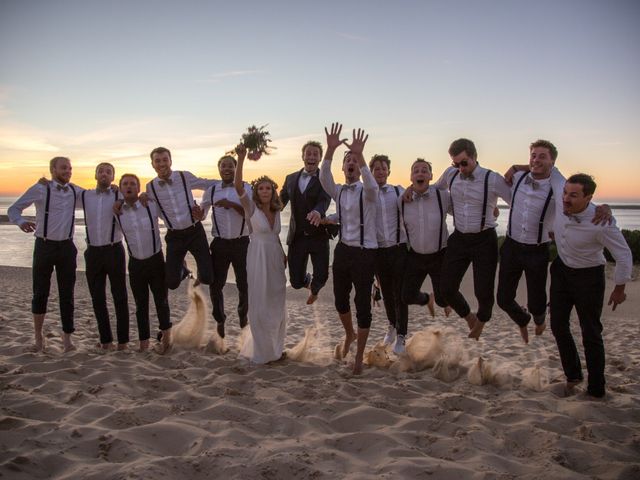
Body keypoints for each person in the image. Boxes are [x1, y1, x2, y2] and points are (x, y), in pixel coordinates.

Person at [501, 142, 612, 343]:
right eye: (533, 155)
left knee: (537, 303)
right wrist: (516, 167)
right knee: (502, 298)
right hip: (511, 245)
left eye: (542, 156)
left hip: (537, 249)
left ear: (553, 161)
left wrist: (604, 208)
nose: (536, 160)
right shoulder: (516, 178)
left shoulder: (558, 186)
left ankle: (538, 318)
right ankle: (522, 318)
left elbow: (579, 201)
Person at [548, 173, 632, 398]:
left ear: (589, 198)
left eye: (574, 195)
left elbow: (623, 255)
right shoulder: (561, 196)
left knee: (591, 332)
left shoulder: (601, 223)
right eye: (565, 193)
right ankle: (573, 374)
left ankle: (596, 388)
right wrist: (517, 166)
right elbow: (548, 166)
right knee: (557, 324)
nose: (566, 199)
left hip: (589, 278)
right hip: (561, 271)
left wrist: (619, 288)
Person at [432, 138, 511, 340]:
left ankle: (482, 321)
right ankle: (469, 317)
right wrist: (411, 190)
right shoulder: (451, 174)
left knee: (483, 291)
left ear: (474, 157)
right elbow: (436, 190)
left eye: (464, 163)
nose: (460, 168)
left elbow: (517, 202)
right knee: (446, 288)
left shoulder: (492, 178)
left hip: (484, 239)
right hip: (459, 238)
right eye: (455, 164)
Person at [319, 123, 377, 375]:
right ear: (343, 168)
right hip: (343, 250)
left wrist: (361, 155)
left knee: (362, 302)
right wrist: (330, 150)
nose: (351, 163)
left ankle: (359, 356)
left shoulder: (368, 190)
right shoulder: (340, 191)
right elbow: (324, 178)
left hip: (365, 253)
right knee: (340, 300)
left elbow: (374, 187)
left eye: (355, 161)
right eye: (348, 161)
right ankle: (349, 334)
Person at [9, 156, 79, 352]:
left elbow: (98, 196)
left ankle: (67, 339)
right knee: (40, 293)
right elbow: (14, 208)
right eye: (64, 168)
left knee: (67, 295)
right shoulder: (40, 188)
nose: (68, 171)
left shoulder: (75, 190)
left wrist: (115, 190)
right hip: (44, 246)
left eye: (70, 168)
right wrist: (21, 222)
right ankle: (38, 337)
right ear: (53, 169)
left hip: (67, 248)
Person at [234, 144, 287, 364]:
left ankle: (276, 349)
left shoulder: (276, 210)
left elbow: (275, 237)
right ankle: (262, 352)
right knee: (260, 302)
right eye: (261, 188)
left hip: (275, 257)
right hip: (257, 257)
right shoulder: (251, 208)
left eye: (268, 188)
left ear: (273, 192)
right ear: (257, 192)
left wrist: (283, 253)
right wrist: (241, 158)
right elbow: (238, 186)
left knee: (277, 301)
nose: (265, 191)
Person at [400, 159, 453, 350]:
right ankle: (426, 299)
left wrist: (491, 211)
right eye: (416, 171)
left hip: (439, 255)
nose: (420, 173)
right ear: (411, 177)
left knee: (443, 299)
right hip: (415, 256)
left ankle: (438, 300)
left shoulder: (443, 196)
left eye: (424, 171)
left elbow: (464, 210)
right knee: (406, 296)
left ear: (431, 176)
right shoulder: (403, 200)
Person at [116, 174, 172, 353]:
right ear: (120, 189)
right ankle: (144, 343)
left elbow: (170, 217)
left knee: (161, 302)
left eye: (133, 183)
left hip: (155, 260)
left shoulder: (151, 205)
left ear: (139, 188)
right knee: (141, 305)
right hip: (135, 264)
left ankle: (166, 340)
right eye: (125, 184)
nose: (129, 186)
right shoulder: (117, 210)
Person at [145, 147, 215, 289]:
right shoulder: (150, 187)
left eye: (165, 159)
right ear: (152, 164)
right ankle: (183, 269)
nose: (162, 163)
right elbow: (153, 209)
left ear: (171, 161)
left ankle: (204, 267)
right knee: (171, 284)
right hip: (174, 236)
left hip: (195, 232)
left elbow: (207, 184)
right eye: (157, 161)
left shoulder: (184, 176)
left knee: (207, 278)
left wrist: (233, 184)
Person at [79, 163, 129, 350]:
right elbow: (63, 193)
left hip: (114, 250)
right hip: (92, 253)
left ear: (113, 177)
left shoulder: (120, 195)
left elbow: (137, 199)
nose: (104, 174)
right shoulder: (84, 195)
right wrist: (47, 182)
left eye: (108, 172)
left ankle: (123, 342)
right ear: (95, 174)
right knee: (97, 298)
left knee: (120, 297)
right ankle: (106, 340)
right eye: (101, 171)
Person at [201, 155, 251, 339]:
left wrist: (231, 204)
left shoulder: (246, 188)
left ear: (236, 169)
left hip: (242, 243)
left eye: (231, 166)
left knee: (244, 285)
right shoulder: (212, 190)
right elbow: (202, 214)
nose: (227, 169)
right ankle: (220, 319)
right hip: (220, 244)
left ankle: (243, 314)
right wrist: (196, 212)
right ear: (219, 169)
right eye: (224, 166)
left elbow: (250, 213)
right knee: (216, 285)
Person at [280, 140, 332, 305]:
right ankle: (307, 281)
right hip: (297, 237)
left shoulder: (324, 179)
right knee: (295, 282)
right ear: (303, 156)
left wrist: (318, 211)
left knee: (322, 276)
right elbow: (280, 202)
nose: (311, 157)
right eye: (308, 153)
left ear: (320, 158)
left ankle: (315, 289)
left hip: (318, 236)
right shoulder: (290, 178)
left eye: (315, 154)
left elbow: (325, 199)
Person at [369, 154, 409, 354]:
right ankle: (392, 325)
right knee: (385, 292)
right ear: (370, 172)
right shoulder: (367, 193)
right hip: (378, 251)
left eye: (383, 168)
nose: (380, 171)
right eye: (376, 168)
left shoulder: (398, 191)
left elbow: (414, 201)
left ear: (389, 171)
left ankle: (402, 335)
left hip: (398, 248)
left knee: (400, 293)